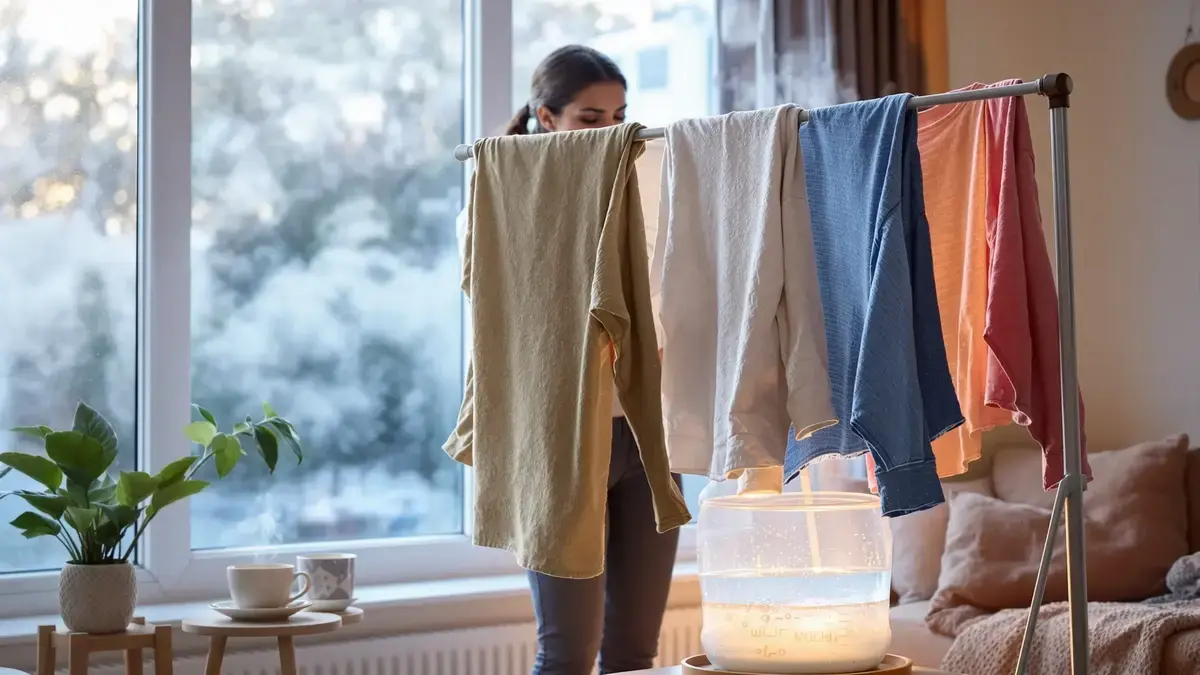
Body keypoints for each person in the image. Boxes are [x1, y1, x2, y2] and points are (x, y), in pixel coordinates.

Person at [465, 45, 682, 675]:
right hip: (559, 441)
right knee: (565, 654)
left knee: (636, 655)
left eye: (620, 115)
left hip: (648, 437)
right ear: (547, 117)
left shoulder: (643, 183)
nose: (611, 132)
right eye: (591, 118)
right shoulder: (499, 194)